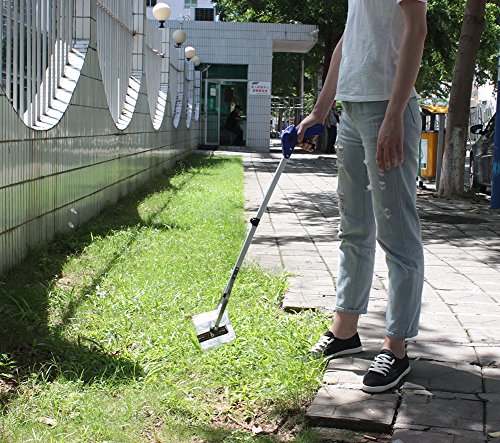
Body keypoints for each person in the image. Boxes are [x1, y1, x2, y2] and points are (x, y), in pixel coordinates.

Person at [297, 0, 427, 393]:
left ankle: (396, 347)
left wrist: (393, 115)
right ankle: (345, 331)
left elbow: (416, 31)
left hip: (387, 110)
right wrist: (320, 110)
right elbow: (348, 41)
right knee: (353, 226)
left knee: (397, 233)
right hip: (351, 112)